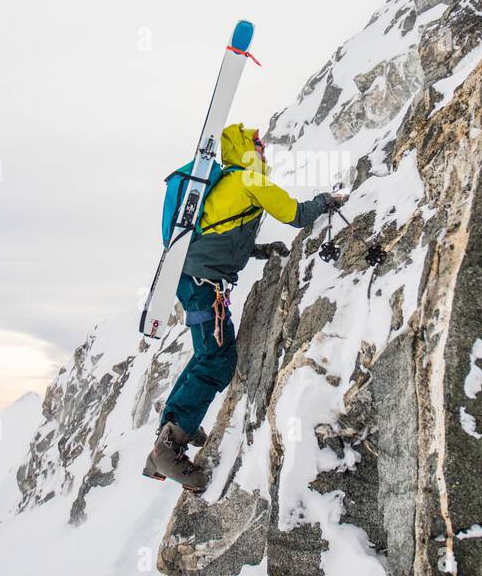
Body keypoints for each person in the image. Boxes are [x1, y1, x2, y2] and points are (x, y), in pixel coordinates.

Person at [143, 122, 346, 491]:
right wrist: (325, 202)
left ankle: (172, 429)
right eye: (257, 144)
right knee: (218, 359)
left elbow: (221, 235)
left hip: (192, 282)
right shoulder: (250, 181)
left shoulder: (229, 186)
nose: (263, 149)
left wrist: (260, 250)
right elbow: (297, 215)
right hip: (203, 286)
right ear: (243, 148)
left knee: (207, 353)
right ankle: (168, 447)